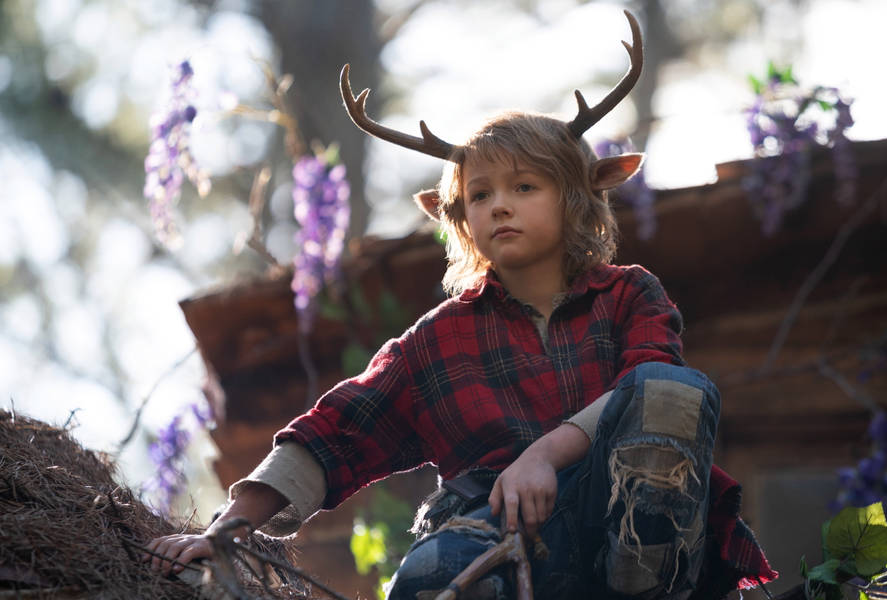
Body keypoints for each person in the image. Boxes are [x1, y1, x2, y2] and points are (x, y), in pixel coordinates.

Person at [146, 11, 775, 599]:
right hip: (491, 530)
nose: (498, 205)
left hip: (625, 523)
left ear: (582, 197)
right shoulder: (437, 340)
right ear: (457, 219)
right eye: (479, 195)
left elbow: (653, 390)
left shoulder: (630, 293)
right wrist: (224, 531)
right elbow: (332, 434)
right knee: (426, 575)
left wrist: (545, 453)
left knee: (671, 386)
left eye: (524, 186)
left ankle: (643, 584)